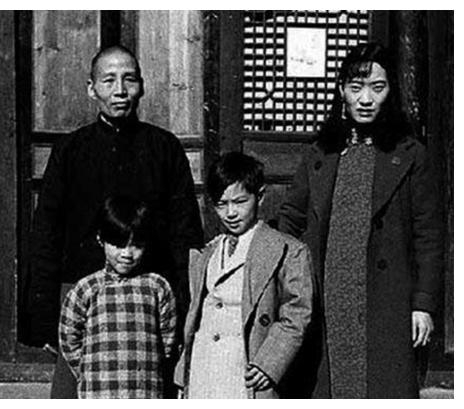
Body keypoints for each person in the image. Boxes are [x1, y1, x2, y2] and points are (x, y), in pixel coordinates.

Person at [24, 45, 204, 398]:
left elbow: (185, 233)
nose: (120, 90)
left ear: (142, 86)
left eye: (129, 80)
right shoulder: (70, 150)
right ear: (91, 89)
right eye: (108, 81)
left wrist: (185, 306)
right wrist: (44, 317)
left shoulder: (164, 147)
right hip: (84, 296)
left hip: (148, 300)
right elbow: (47, 233)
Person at [277, 42, 443, 398]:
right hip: (328, 291)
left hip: (386, 297)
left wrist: (423, 304)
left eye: (377, 88)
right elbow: (290, 220)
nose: (366, 99)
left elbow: (428, 236)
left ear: (390, 92)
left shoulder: (410, 155)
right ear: (342, 91)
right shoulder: (320, 153)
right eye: (356, 88)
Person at [175, 152, 313, 399]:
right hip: (203, 369)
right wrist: (182, 376)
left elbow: (297, 313)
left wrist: (269, 363)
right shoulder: (207, 252)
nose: (231, 213)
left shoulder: (287, 250)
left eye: (239, 202)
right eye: (221, 204)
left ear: (260, 196)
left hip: (245, 370)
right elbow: (197, 315)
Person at [59, 196, 177, 398]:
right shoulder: (87, 288)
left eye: (136, 245)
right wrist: (90, 370)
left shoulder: (157, 286)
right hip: (99, 390)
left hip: (145, 390)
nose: (127, 254)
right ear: (101, 240)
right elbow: (69, 337)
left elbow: (168, 338)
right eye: (119, 245)